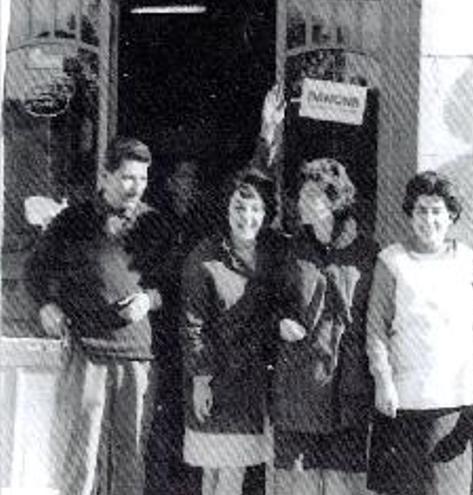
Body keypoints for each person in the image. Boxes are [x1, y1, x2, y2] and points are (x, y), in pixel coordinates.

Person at [25, 136, 173, 495]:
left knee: (130, 455)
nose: (135, 187)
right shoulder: (72, 221)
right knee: (80, 453)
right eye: (127, 177)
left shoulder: (155, 226)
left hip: (136, 357)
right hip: (87, 352)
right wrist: (47, 305)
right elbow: (34, 273)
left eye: (142, 179)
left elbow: (172, 286)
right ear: (105, 177)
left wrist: (149, 300)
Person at [365, 171, 473, 495]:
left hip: (459, 400)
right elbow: (376, 327)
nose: (429, 219)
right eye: (421, 210)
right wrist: (383, 381)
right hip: (406, 402)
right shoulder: (391, 261)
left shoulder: (468, 260)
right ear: (410, 214)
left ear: (450, 215)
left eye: (436, 210)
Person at [271, 157, 379, 494]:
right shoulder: (290, 250)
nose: (302, 205)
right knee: (297, 486)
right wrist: (279, 322)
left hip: (349, 390)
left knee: (344, 485)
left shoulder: (367, 253)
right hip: (299, 389)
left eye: (312, 197)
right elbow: (267, 304)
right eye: (300, 197)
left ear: (334, 200)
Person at [180, 168, 282, 495]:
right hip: (215, 379)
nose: (247, 217)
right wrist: (200, 380)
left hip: (251, 382)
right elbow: (193, 324)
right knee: (216, 471)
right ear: (226, 209)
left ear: (266, 214)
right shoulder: (205, 257)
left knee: (230, 470)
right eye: (239, 207)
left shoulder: (273, 255)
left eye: (256, 209)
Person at [146, 158, 209, 495]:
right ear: (169, 183)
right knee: (163, 421)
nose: (188, 185)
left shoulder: (205, 227)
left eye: (193, 179)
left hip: (197, 337)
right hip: (163, 337)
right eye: (182, 177)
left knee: (196, 421)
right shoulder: (157, 225)